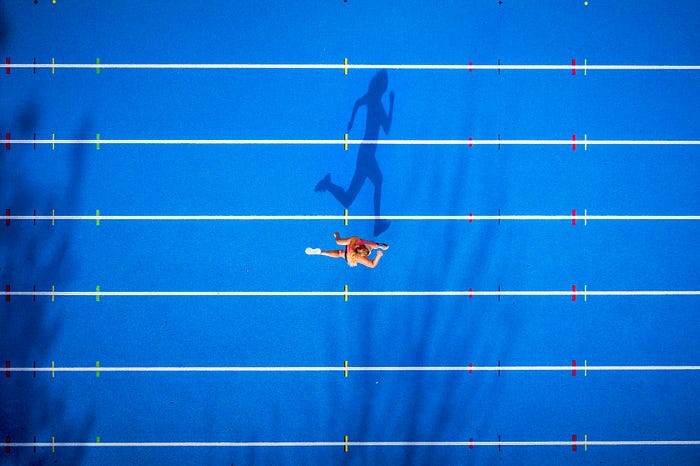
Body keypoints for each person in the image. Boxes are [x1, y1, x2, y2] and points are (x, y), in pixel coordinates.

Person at [315, 70, 394, 237]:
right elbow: (387, 129)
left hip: (364, 152)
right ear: (382, 87)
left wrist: (352, 119)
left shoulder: (371, 99)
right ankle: (377, 223)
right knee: (379, 180)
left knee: (348, 199)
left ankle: (328, 184)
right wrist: (392, 103)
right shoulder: (378, 105)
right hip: (367, 154)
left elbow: (358, 102)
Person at [306, 232, 389, 268]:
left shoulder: (354, 239)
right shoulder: (359, 257)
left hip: (350, 252)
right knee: (373, 245)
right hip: (351, 257)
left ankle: (321, 252)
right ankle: (378, 245)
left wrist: (337, 235)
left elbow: (338, 242)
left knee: (339, 250)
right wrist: (378, 256)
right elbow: (372, 265)